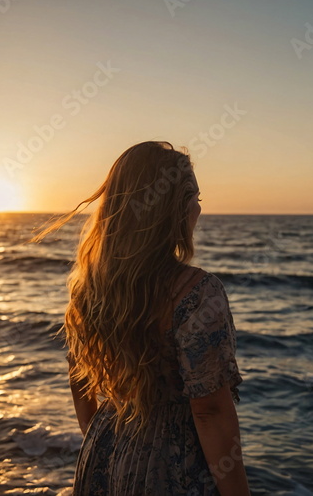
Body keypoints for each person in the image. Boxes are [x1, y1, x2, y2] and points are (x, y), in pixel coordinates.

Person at [32, 141, 251, 495]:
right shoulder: (197, 292)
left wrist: (104, 443)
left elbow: (79, 381)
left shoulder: (93, 286)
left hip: (104, 447)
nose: (198, 208)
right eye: (193, 196)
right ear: (170, 209)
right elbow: (210, 410)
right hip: (171, 464)